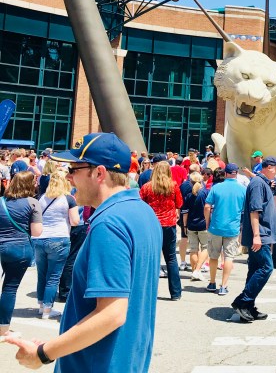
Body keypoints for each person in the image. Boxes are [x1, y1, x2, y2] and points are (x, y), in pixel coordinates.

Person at [8, 132, 162, 371]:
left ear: (99, 173)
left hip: (97, 364)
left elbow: (112, 313)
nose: (68, 177)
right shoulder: (143, 211)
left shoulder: (109, 223)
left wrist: (42, 354)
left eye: (74, 169)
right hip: (127, 361)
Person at [231, 156, 276, 322]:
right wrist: (257, 236)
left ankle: (248, 306)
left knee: (255, 269)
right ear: (268, 167)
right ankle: (243, 301)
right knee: (266, 267)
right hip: (260, 235)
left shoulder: (261, 182)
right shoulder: (258, 183)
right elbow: (254, 211)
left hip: (262, 234)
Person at [0, 171, 43, 340]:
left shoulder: (1, 201)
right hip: (20, 249)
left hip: (2, 245)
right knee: (10, 288)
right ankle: (3, 329)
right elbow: (37, 232)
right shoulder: (32, 203)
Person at [33, 170, 80, 318]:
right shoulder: (69, 199)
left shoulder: (41, 198)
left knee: (42, 274)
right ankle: (48, 310)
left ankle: (41, 305)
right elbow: (75, 221)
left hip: (40, 238)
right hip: (59, 238)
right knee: (53, 276)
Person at [139, 161, 183, 300]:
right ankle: (175, 293)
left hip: (152, 224)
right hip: (169, 224)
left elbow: (140, 203)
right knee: (171, 258)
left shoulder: (147, 187)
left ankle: (150, 292)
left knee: (152, 258)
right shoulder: (173, 186)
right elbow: (179, 203)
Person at [204, 163, 246, 295]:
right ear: (236, 173)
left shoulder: (216, 187)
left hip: (216, 226)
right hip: (232, 228)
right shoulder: (243, 189)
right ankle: (224, 285)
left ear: (225, 173)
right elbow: (245, 209)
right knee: (228, 257)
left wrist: (207, 222)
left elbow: (207, 206)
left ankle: (212, 282)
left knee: (213, 256)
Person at [185, 172, 209, 281]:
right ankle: (197, 270)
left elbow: (185, 212)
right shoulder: (205, 193)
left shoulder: (189, 195)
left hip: (191, 224)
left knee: (193, 249)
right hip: (203, 224)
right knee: (206, 247)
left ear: (191, 182)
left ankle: (194, 271)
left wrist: (184, 225)